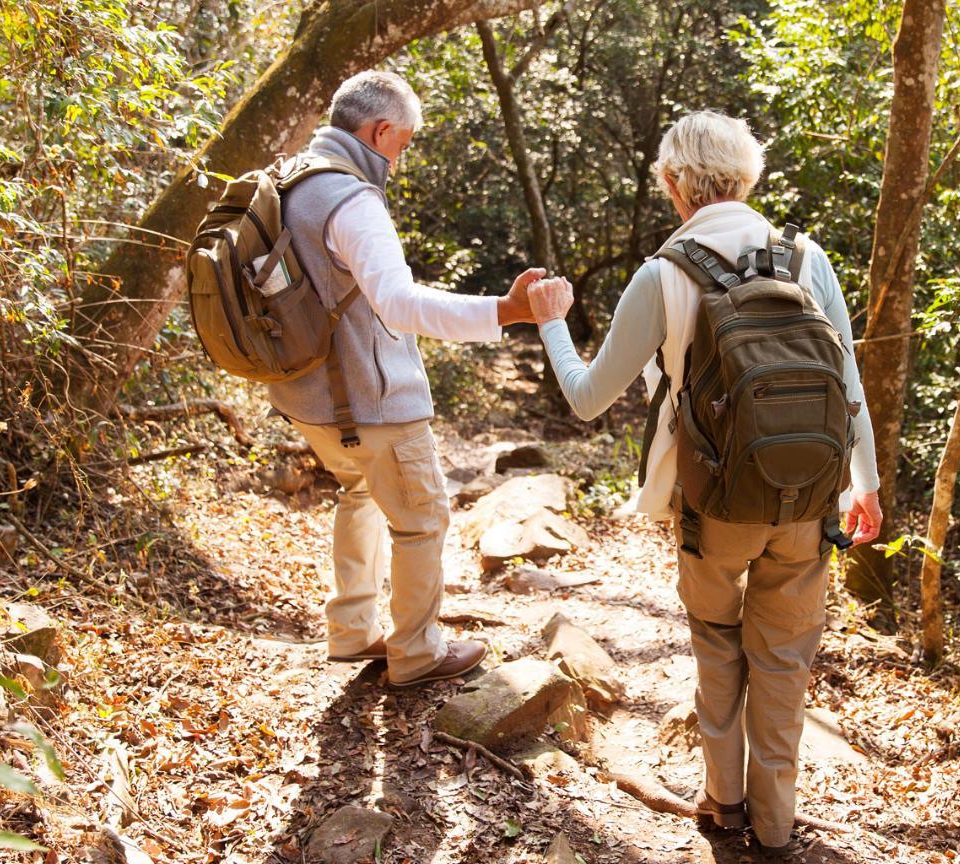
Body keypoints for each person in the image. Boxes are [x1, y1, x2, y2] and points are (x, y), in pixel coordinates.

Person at [525, 111, 882, 854]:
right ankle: (777, 825)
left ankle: (723, 805)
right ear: (748, 176)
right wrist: (865, 485)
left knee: (718, 644)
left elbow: (587, 398)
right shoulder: (806, 258)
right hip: (809, 500)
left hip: (712, 506)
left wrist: (551, 321)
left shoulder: (665, 274)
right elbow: (846, 379)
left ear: (672, 183)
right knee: (784, 659)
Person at [268, 70, 542, 687]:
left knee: (359, 494)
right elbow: (399, 303)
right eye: (404, 142)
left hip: (306, 402)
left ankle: (352, 632)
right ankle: (416, 653)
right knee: (423, 519)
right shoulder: (351, 198)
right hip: (372, 403)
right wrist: (505, 309)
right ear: (380, 130)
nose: (402, 156)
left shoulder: (287, 182)